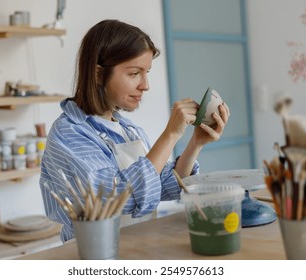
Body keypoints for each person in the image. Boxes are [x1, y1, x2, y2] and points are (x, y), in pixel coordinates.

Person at [39, 19, 230, 242]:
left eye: (146, 72)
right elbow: (113, 200)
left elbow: (162, 186)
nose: (145, 85)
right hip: (95, 255)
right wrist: (170, 135)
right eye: (134, 73)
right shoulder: (69, 134)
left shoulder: (129, 130)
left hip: (138, 247)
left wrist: (195, 142)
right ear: (99, 74)